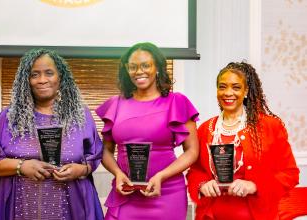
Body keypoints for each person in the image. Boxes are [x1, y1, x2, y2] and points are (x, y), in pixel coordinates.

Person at [0, 48, 104, 220]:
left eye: (49, 73)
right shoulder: (7, 119)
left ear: (60, 77)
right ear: (26, 80)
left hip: (71, 209)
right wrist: (21, 166)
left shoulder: (80, 117)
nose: (42, 80)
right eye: (34, 74)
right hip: (21, 209)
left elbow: (95, 155)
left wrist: (81, 170)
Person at [96, 42, 200, 220]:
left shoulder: (177, 102)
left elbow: (192, 151)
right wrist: (118, 173)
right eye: (133, 67)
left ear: (158, 67)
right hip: (126, 194)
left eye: (145, 65)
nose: (139, 71)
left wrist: (161, 176)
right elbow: (105, 150)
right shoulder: (115, 104)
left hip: (167, 193)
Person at [187, 61, 300, 220]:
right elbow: (195, 171)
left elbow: (290, 174)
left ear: (246, 91)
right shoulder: (205, 129)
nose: (228, 93)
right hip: (212, 215)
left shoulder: (270, 127)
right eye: (222, 86)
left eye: (236, 87)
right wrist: (202, 185)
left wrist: (255, 185)